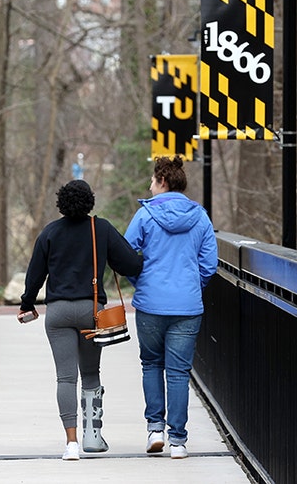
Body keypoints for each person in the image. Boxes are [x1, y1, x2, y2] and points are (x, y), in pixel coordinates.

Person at [18, 180, 142, 461]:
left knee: (65, 377)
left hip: (58, 312)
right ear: (90, 201)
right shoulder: (102, 229)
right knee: (90, 373)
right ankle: (93, 437)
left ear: (61, 202)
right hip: (91, 311)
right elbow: (130, 265)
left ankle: (71, 443)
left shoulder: (50, 232)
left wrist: (27, 304)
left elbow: (34, 275)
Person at [124, 156, 217, 460]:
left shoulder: (145, 216)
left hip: (151, 304)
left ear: (162, 181)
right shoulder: (200, 217)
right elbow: (208, 265)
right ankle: (178, 441)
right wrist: (192, 287)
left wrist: (142, 281)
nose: (149, 187)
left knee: (151, 364)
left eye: (152, 181)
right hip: (187, 306)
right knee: (178, 372)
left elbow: (126, 255)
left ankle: (154, 430)